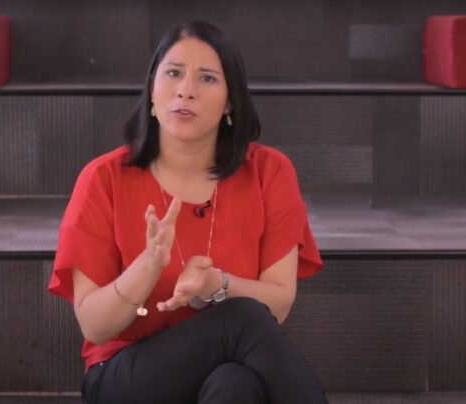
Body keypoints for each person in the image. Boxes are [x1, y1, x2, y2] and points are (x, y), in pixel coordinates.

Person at [47, 21, 327, 404]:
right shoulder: (103, 178)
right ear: (152, 90)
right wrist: (147, 267)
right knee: (242, 317)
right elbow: (94, 326)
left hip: (225, 365)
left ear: (230, 102)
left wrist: (215, 285)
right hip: (125, 373)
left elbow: (278, 303)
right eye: (174, 73)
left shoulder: (269, 172)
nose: (186, 90)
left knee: (234, 383)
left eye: (207, 78)